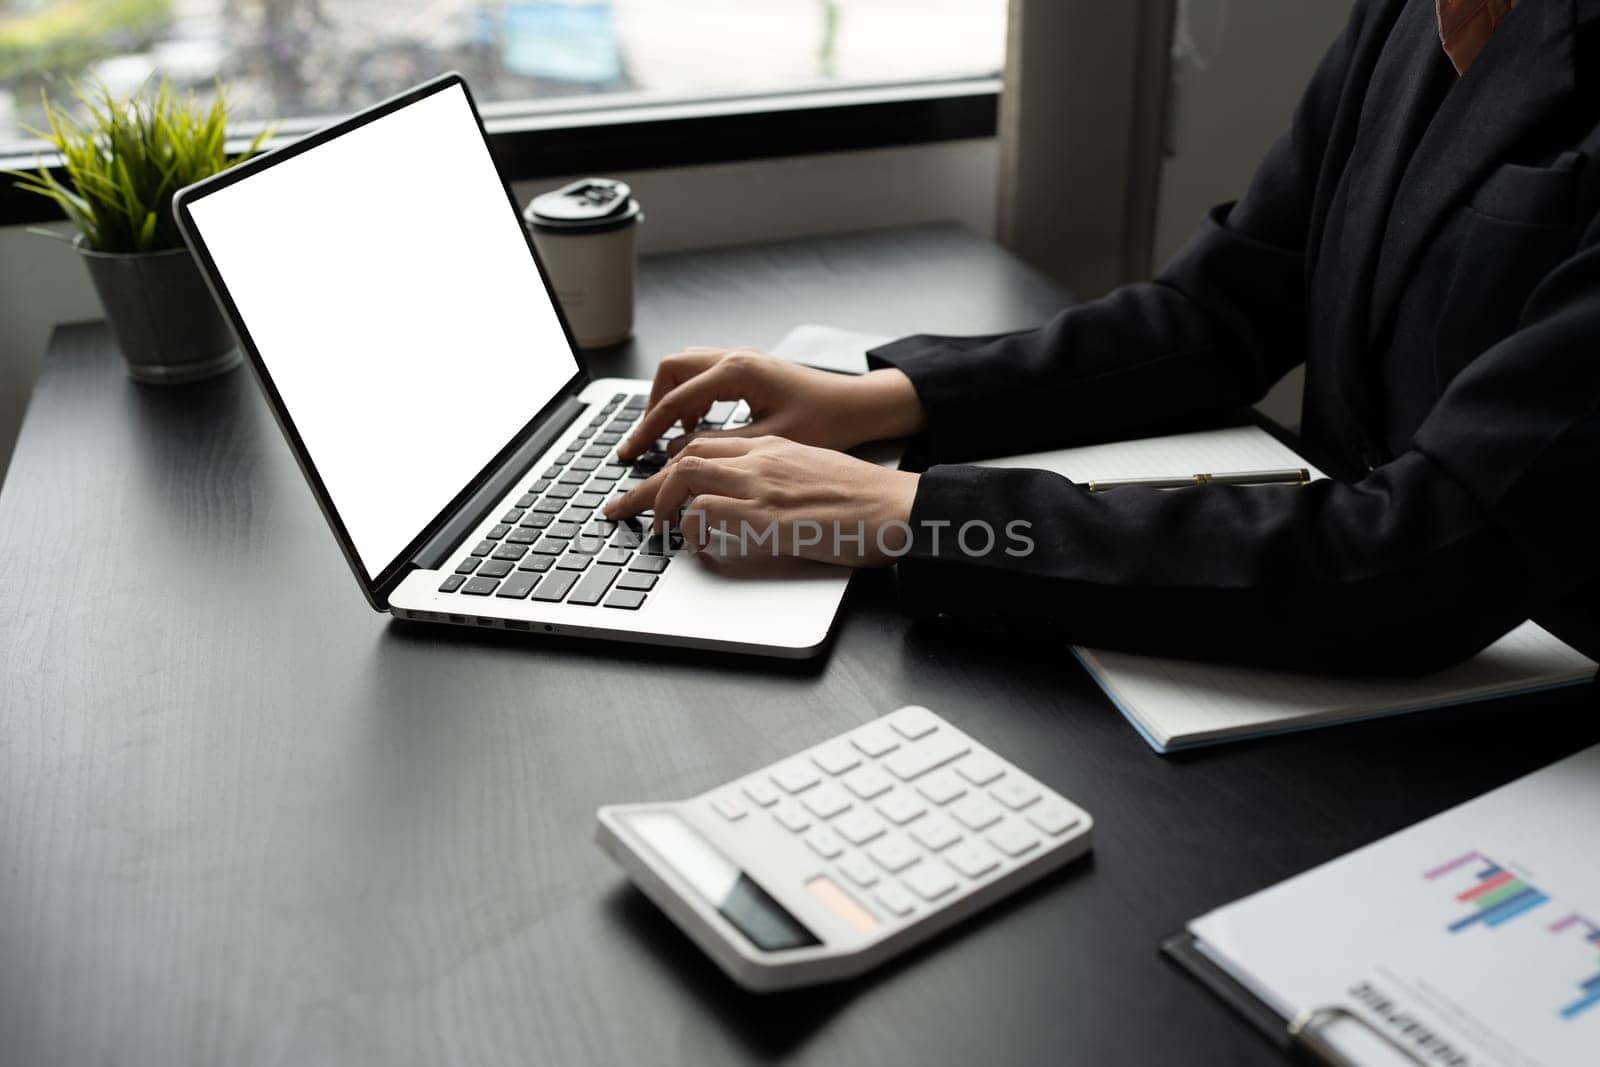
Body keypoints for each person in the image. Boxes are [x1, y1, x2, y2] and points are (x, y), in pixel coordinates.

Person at [606, 0, 1600, 674]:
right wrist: (889, 396)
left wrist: (922, 514)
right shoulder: (1411, 15)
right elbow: (1221, 310)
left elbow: (1430, 551)